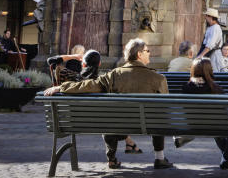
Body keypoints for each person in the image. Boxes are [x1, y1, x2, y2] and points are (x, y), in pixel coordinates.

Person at [43, 38, 174, 170]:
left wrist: (61, 87)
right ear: (139, 54)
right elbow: (165, 108)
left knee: (110, 119)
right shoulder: (158, 78)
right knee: (159, 117)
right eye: (147, 51)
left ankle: (112, 158)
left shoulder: (113, 75)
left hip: (118, 124)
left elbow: (88, 85)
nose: (149, 53)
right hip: (150, 124)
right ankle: (159, 158)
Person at [181, 58, 228, 169]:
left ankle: (227, 156)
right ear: (209, 70)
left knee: (218, 127)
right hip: (214, 125)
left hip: (192, 125)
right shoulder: (216, 89)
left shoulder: (185, 87)